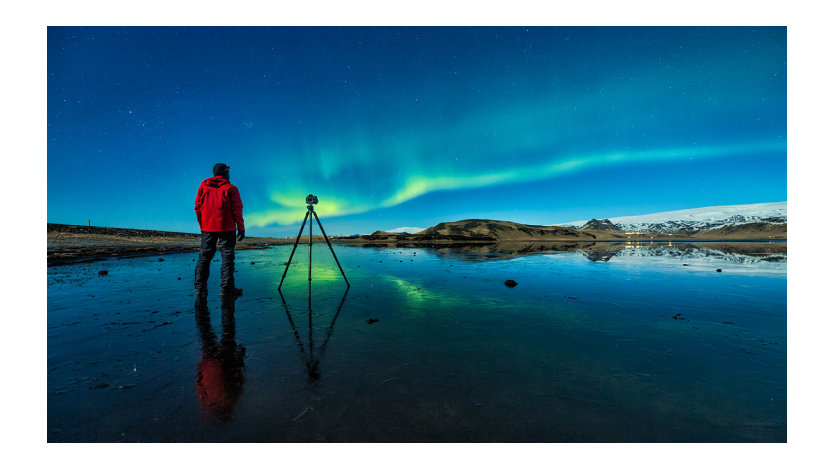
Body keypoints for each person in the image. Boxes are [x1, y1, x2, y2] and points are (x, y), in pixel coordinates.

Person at [194, 163, 245, 298]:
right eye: (228, 172)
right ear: (225, 173)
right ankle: (226, 290)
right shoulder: (231, 188)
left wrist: (202, 225)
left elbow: (197, 207)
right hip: (227, 228)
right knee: (227, 258)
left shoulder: (203, 187)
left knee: (204, 258)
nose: (229, 175)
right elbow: (237, 210)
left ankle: (200, 290)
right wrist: (241, 228)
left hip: (208, 228)